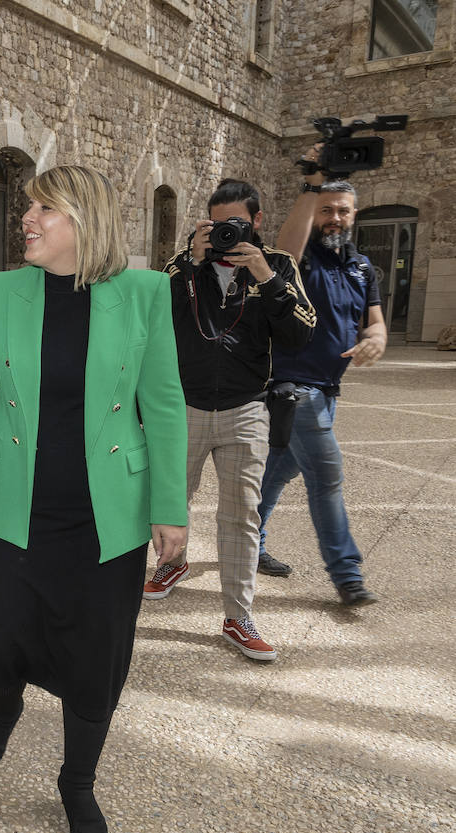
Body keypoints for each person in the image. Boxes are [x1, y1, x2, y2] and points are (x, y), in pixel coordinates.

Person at [0, 165, 187, 833]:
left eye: (44, 209)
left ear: (84, 219)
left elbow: (164, 406)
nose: (27, 219)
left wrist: (170, 508)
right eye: (28, 208)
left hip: (105, 517)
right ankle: (6, 700)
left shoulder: (144, 294)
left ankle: (77, 781)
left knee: (96, 657)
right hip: (14, 509)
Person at [142, 179, 316, 662]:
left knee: (241, 514)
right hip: (186, 406)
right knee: (168, 499)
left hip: (245, 408)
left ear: (257, 222)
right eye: (217, 225)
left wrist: (265, 275)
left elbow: (302, 333)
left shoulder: (278, 264)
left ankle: (238, 616)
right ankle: (172, 564)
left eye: (236, 224)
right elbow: (151, 317)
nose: (226, 233)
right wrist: (186, 263)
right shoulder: (185, 265)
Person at [256, 149, 386, 607]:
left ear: (354, 215)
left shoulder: (362, 266)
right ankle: (347, 575)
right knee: (326, 475)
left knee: (281, 468)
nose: (334, 218)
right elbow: (285, 249)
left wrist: (376, 337)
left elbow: (376, 322)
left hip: (329, 390)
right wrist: (311, 185)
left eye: (342, 211)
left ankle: (249, 540)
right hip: (293, 388)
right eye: (326, 210)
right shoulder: (300, 259)